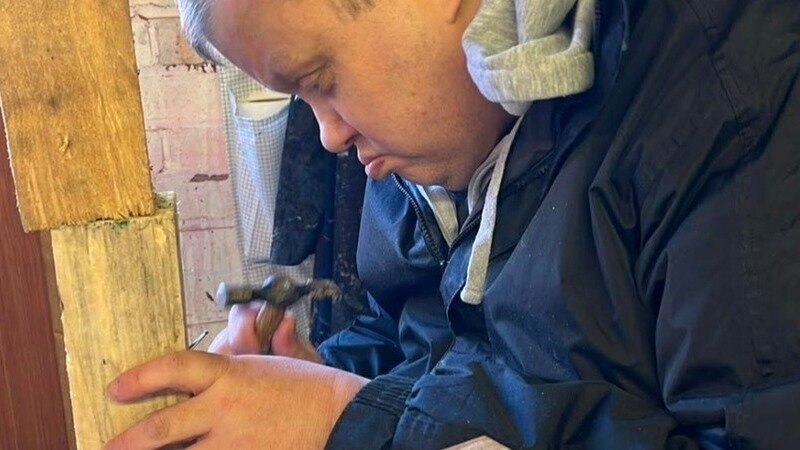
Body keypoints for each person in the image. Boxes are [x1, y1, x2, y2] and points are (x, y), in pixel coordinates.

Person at [104, 0, 800, 448]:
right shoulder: (426, 151)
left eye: (319, 79)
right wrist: (312, 380)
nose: (329, 137)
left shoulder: (732, 97)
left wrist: (351, 422)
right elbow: (420, 343)